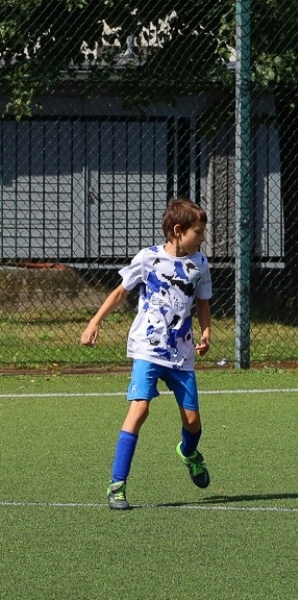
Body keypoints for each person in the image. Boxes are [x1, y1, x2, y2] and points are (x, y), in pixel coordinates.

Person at [80, 198, 214, 510]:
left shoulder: (200, 263)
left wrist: (207, 332)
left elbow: (203, 301)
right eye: (199, 232)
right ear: (179, 231)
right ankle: (117, 484)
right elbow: (120, 292)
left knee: (193, 422)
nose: (202, 238)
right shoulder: (149, 258)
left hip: (181, 355)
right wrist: (94, 322)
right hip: (147, 349)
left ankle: (189, 453)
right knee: (139, 410)